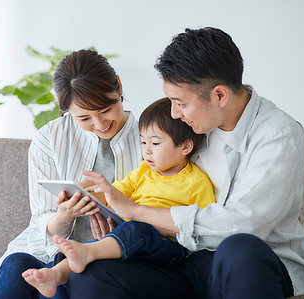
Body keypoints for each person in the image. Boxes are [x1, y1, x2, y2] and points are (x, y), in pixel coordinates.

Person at [66, 28, 304, 298]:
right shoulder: (194, 127)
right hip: (188, 261)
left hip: (256, 265)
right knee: (90, 277)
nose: (174, 112)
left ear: (219, 95)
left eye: (179, 102)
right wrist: (96, 198)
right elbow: (156, 176)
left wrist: (137, 212)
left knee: (239, 249)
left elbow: (246, 225)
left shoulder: (277, 134)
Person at [0, 49, 143, 299]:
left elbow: (160, 210)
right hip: (52, 250)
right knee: (15, 265)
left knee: (71, 284)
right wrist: (65, 215)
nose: (100, 125)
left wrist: (115, 233)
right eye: (84, 118)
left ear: (118, 86)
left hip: (116, 256)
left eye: (106, 109)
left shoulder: (151, 137)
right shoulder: (49, 138)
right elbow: (41, 220)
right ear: (65, 110)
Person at [22, 97, 215, 297]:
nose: (146, 150)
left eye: (155, 143)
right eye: (143, 141)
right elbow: (115, 193)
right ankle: (56, 274)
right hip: (133, 238)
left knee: (134, 229)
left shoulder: (196, 181)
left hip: (168, 246)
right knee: (95, 246)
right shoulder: (143, 171)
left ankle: (84, 255)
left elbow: (205, 226)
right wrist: (85, 193)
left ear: (185, 147)